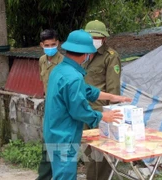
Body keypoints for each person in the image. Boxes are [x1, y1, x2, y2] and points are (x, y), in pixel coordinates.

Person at [43, 29, 132, 180]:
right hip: (65, 135)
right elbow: (79, 111)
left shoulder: (59, 70)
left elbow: (86, 91)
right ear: (86, 54)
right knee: (65, 176)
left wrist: (113, 96)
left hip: (54, 131)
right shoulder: (74, 77)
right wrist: (103, 116)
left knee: (60, 173)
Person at [83, 20, 121, 180]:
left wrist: (111, 117)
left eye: (97, 37)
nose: (94, 40)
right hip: (84, 111)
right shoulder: (82, 55)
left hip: (101, 113)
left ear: (104, 39)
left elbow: (113, 89)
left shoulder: (110, 57)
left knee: (103, 154)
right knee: (88, 151)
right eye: (91, 37)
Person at [36, 29, 64, 180]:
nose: (51, 47)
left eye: (53, 44)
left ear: (58, 43)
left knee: (58, 144)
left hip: (61, 108)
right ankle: (45, 175)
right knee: (47, 141)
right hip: (49, 106)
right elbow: (44, 83)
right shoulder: (41, 60)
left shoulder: (63, 62)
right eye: (47, 45)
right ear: (42, 45)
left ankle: (56, 175)